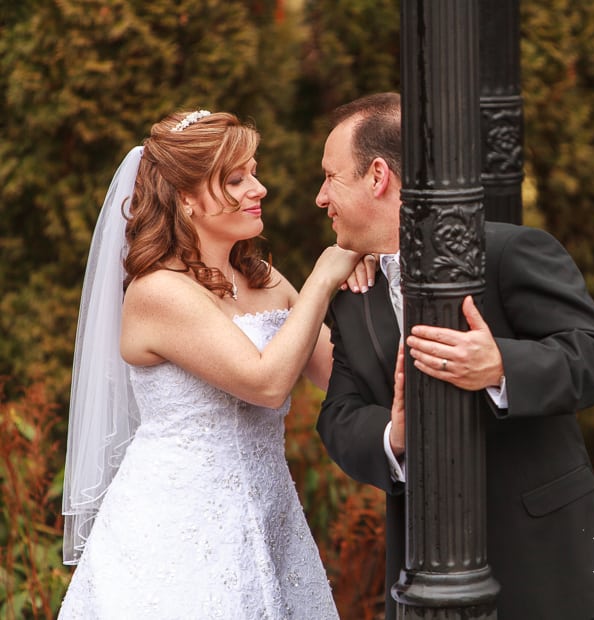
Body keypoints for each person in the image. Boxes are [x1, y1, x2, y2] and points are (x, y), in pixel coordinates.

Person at [315, 92, 594, 619]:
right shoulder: (353, 294)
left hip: (545, 568)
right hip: (423, 579)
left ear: (377, 176)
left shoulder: (509, 252)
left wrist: (501, 365)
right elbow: (338, 416)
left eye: (330, 177)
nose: (321, 198)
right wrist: (392, 436)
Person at [59, 109, 373, 618]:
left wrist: (378, 278)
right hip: (179, 531)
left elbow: (339, 371)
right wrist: (324, 275)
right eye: (235, 178)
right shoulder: (158, 291)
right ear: (185, 199)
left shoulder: (264, 278)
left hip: (272, 518)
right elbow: (266, 383)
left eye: (253, 172)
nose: (259, 188)